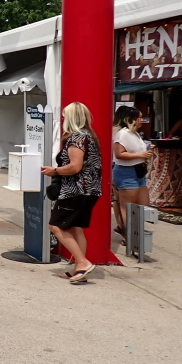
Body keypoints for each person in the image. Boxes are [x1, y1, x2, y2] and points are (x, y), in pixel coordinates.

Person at [40, 102, 103, 284]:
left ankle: (82, 263)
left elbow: (75, 166)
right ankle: (78, 269)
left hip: (76, 190)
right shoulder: (90, 136)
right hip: (90, 190)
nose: (63, 118)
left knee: (55, 226)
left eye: (65, 115)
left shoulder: (76, 138)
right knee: (76, 228)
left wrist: (55, 171)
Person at [112, 105, 152, 239]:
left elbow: (135, 150)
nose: (142, 120)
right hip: (126, 172)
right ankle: (127, 235)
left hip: (139, 171)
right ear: (131, 119)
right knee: (127, 207)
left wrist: (146, 149)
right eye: (139, 117)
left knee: (143, 205)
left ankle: (132, 232)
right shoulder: (122, 133)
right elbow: (119, 154)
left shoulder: (134, 133)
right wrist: (141, 155)